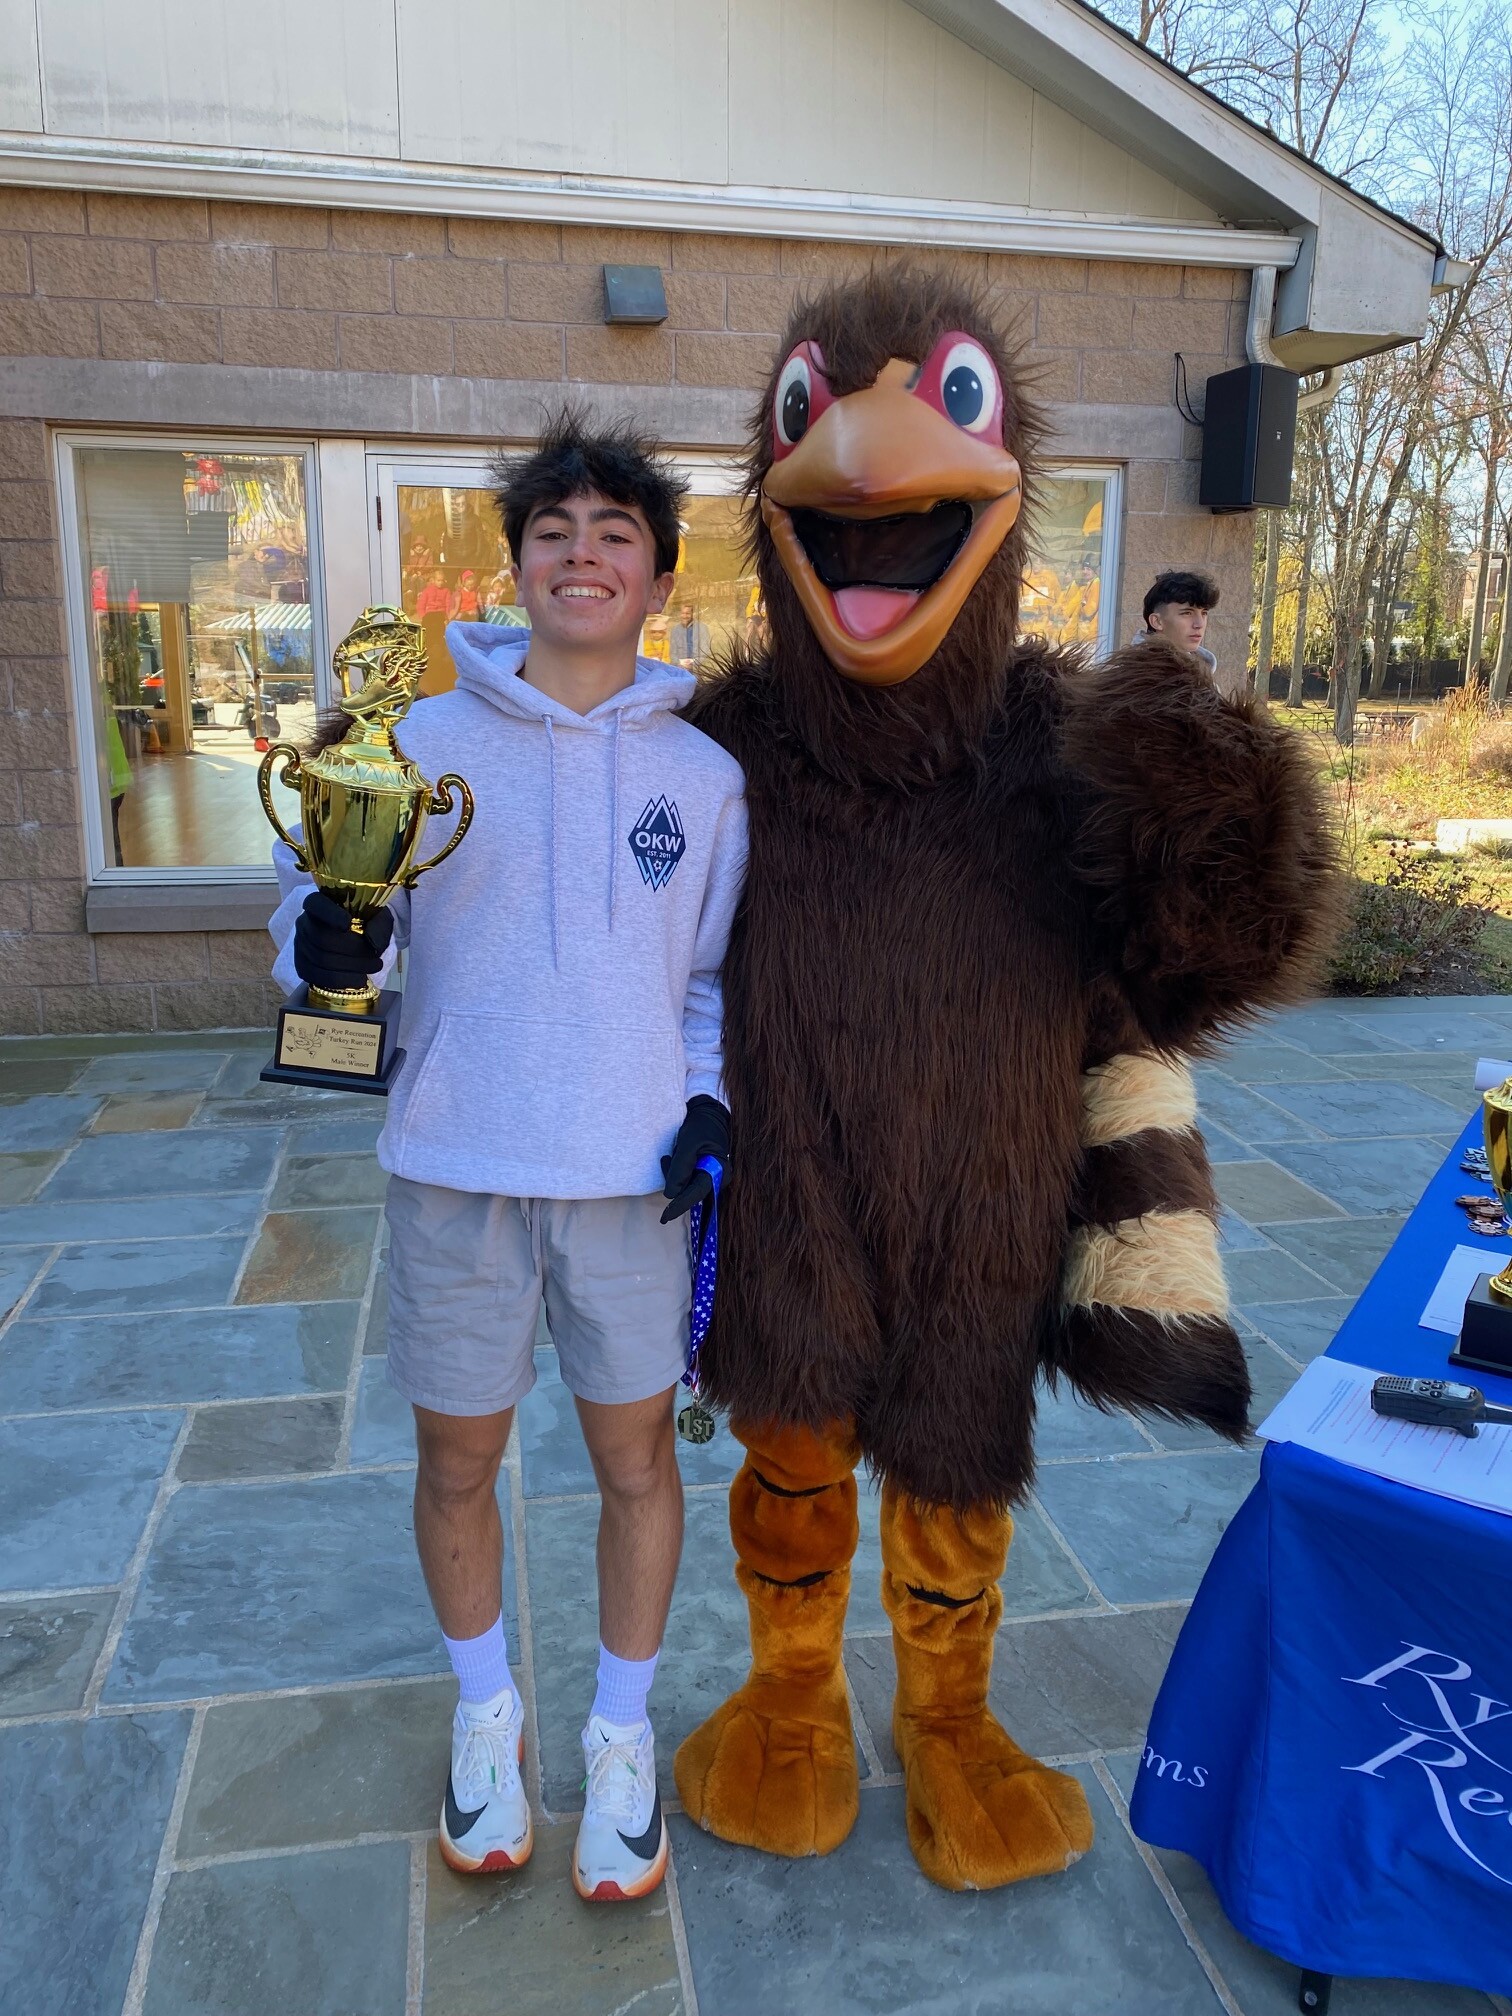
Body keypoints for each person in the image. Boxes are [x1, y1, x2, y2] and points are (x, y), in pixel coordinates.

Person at [267, 412, 748, 1903]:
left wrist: (710, 1099)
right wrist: (325, 940)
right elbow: (316, 914)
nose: (584, 555)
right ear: (519, 564)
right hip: (459, 1165)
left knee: (632, 1468)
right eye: (556, 533)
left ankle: (618, 1735)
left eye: (616, 535)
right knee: (457, 1461)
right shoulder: (409, 746)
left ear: (658, 576)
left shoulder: (708, 777)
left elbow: (710, 979)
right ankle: (488, 1715)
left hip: (626, 1183)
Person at [1133, 568, 1220, 676]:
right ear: (1157, 621)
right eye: (1187, 613)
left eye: (1204, 613)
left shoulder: (1204, 676)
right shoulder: (1131, 680)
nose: (1199, 624)